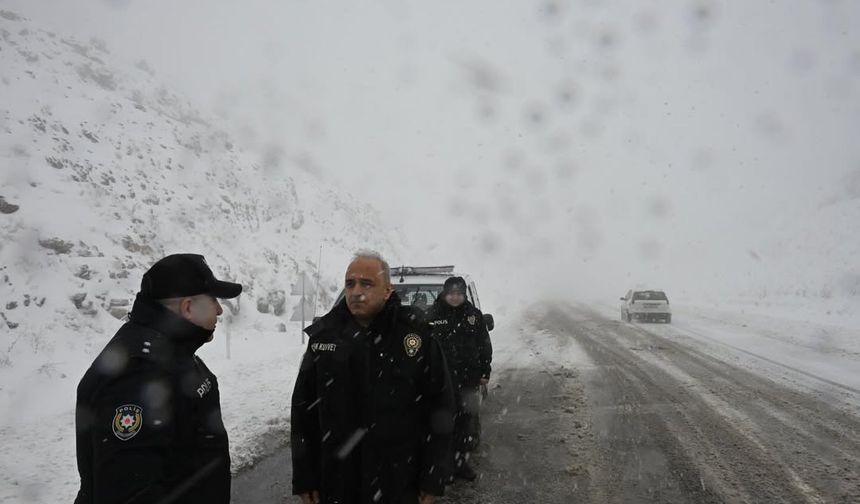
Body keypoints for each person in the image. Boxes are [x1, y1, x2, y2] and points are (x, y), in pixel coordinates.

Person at [74, 253, 242, 504]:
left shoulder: (170, 350)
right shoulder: (138, 373)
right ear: (188, 307)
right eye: (213, 300)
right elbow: (131, 493)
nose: (219, 310)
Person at [291, 251, 455, 504]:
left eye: (366, 283)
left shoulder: (415, 338)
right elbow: (303, 413)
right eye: (350, 283)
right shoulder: (324, 338)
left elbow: (440, 408)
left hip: (398, 480)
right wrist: (304, 476)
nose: (356, 291)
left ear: (388, 290)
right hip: (337, 481)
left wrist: (432, 477)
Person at [425, 276, 492, 482]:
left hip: (468, 380)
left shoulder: (473, 316)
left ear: (463, 294)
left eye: (459, 293)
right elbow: (423, 347)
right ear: (445, 294)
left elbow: (483, 344)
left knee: (465, 424)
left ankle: (460, 463)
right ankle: (443, 466)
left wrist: (484, 370)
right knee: (443, 424)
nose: (455, 297)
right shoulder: (432, 315)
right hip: (441, 381)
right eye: (451, 293)